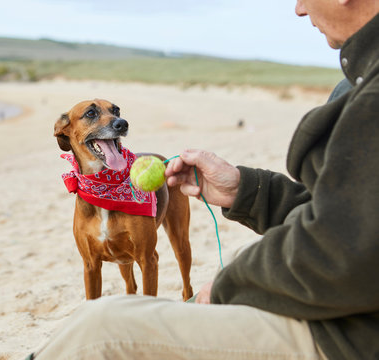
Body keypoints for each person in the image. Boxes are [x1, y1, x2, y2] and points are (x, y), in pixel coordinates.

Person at [29, 0, 379, 359]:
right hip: (339, 313)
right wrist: (246, 189)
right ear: (66, 131)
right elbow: (343, 214)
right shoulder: (362, 80)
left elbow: (343, 249)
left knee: (101, 328)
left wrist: (231, 283)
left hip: (349, 333)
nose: (299, 9)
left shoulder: (372, 95)